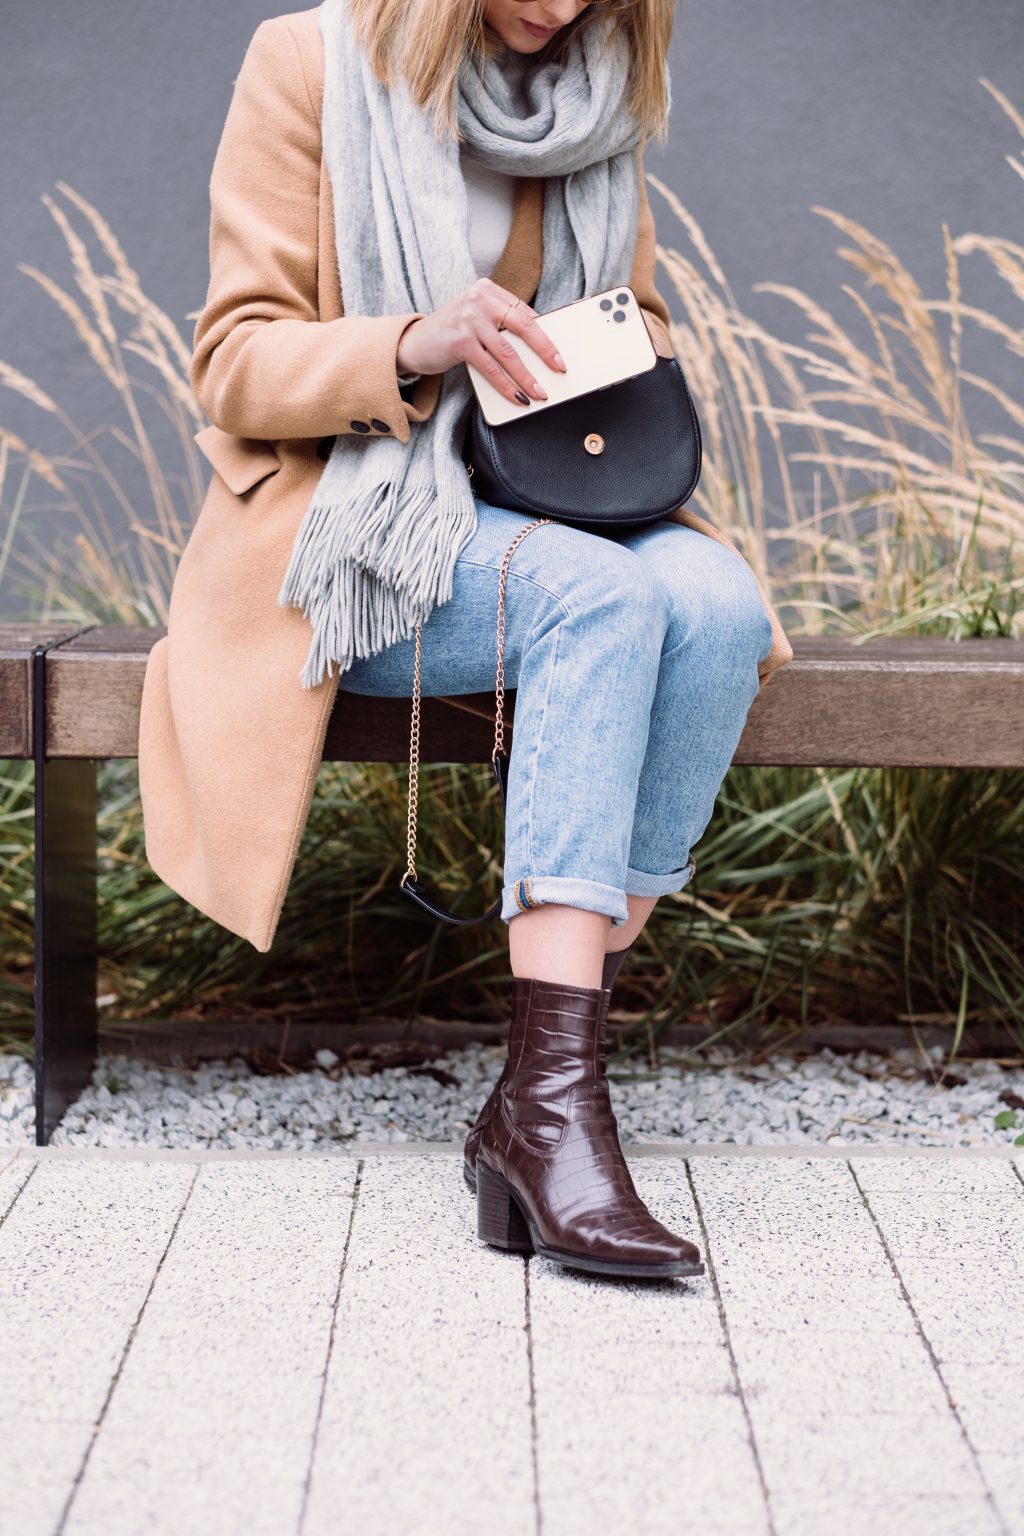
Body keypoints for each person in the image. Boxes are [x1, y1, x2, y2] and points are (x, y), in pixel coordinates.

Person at [164, 0, 791, 1281]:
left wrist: (592, 349)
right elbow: (230, 362)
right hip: (356, 531)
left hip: (552, 495)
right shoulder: (310, 64)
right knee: (602, 602)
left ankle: (533, 1089)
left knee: (721, 607)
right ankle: (556, 1115)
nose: (556, 10)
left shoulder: (595, 92)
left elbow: (650, 321)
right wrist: (413, 342)